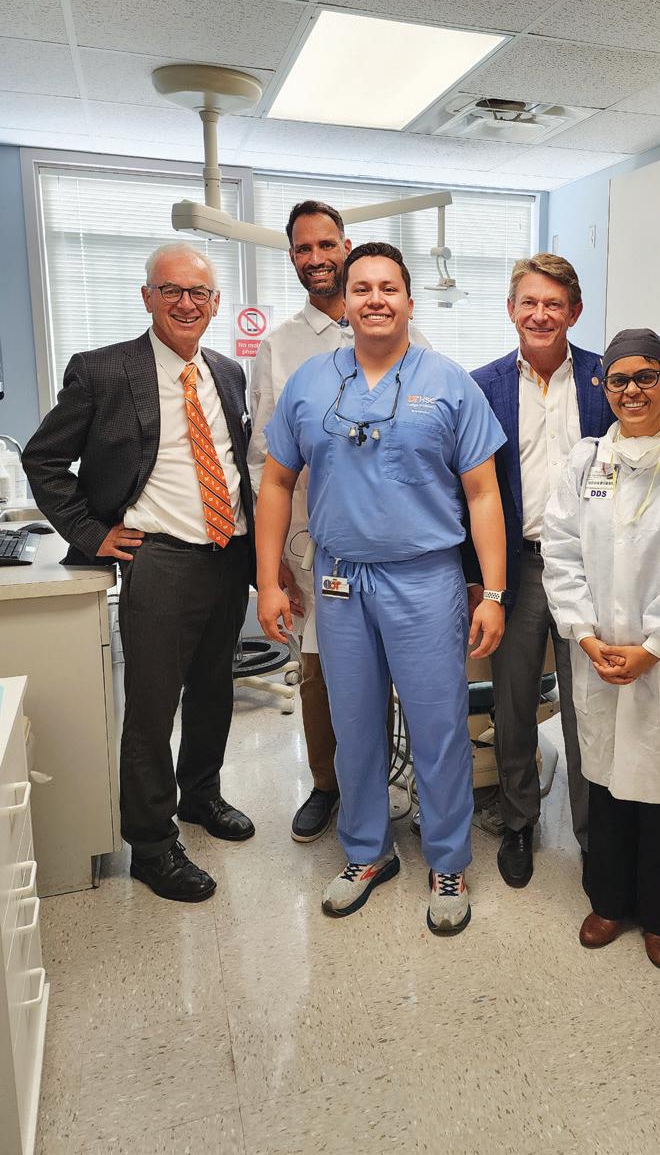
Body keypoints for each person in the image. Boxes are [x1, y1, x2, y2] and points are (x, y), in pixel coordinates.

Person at [256, 242, 507, 935]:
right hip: (339, 579)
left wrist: (493, 592)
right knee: (355, 722)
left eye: (388, 287)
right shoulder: (310, 383)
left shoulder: (449, 382)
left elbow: (482, 493)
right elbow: (276, 483)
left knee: (437, 725)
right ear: (345, 301)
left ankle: (448, 859)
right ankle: (367, 852)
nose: (375, 299)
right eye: (362, 287)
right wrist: (268, 580)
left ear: (409, 301)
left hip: (424, 577)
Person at [22, 243, 255, 903]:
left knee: (214, 689)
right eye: (171, 290)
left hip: (227, 551)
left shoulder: (227, 372)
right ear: (147, 296)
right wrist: (91, 533)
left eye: (199, 292)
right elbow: (44, 459)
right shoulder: (103, 371)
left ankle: (200, 794)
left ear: (215, 303)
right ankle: (151, 845)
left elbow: (238, 465)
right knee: (153, 706)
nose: (186, 303)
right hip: (160, 558)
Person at [541, 329, 660, 969]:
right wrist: (585, 634)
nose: (632, 391)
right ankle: (608, 902)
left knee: (659, 792)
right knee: (604, 786)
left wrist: (652, 646)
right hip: (596, 653)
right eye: (619, 379)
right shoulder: (584, 462)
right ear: (604, 388)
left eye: (646, 377)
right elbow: (560, 553)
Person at [248, 199, 430, 845]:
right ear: (292, 257)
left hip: (399, 544)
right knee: (323, 675)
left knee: (409, 672)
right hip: (316, 543)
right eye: (304, 248)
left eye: (327, 245)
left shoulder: (410, 338)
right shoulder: (280, 348)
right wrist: (272, 562)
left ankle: (410, 786)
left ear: (346, 248)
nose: (317, 258)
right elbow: (265, 463)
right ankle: (329, 784)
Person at [468, 254, 610, 888]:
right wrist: (481, 581)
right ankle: (519, 820)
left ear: (573, 312)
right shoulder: (482, 386)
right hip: (518, 569)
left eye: (554, 304)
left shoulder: (608, 379)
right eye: (529, 302)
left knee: (587, 706)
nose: (540, 314)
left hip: (593, 570)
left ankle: (594, 835)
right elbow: (467, 491)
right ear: (511, 309)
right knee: (514, 701)